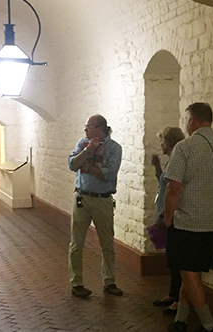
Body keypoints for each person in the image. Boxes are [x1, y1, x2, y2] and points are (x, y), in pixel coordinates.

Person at [164, 103, 213, 332]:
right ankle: (180, 320)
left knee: (188, 273)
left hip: (188, 223)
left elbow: (173, 188)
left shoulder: (185, 147)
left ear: (192, 120)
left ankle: (209, 325)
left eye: (186, 120)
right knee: (193, 271)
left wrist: (168, 219)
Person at [68, 114, 123, 298]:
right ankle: (76, 283)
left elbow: (109, 174)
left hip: (102, 199)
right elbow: (72, 164)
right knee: (76, 243)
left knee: (107, 243)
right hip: (82, 198)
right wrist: (87, 151)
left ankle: (109, 281)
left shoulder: (114, 148)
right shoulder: (82, 143)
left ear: (99, 129)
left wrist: (86, 167)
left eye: (89, 127)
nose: (85, 130)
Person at [151, 127, 185, 315]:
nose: (161, 145)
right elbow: (164, 183)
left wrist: (167, 214)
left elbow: (174, 189)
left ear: (170, 143)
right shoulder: (172, 160)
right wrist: (157, 168)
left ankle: (178, 298)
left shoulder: (178, 160)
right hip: (166, 212)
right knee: (171, 257)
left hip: (171, 215)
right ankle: (173, 293)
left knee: (176, 258)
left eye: (162, 142)